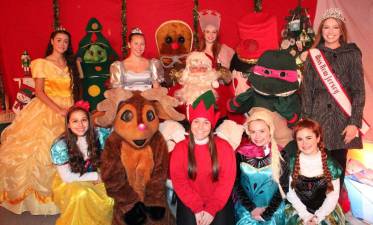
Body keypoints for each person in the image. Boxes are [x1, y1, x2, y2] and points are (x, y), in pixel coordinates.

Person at [0, 28, 80, 215]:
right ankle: (39, 199)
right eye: (59, 40)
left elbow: (73, 89)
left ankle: (71, 192)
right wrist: (58, 109)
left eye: (65, 41)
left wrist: (73, 108)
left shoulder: (70, 63)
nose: (62, 44)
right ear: (52, 41)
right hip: (48, 108)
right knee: (42, 149)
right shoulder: (41, 63)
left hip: (69, 109)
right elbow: (39, 92)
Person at [301, 8, 366, 187]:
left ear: (341, 30)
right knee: (315, 168)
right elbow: (306, 91)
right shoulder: (314, 55)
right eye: (326, 28)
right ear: (321, 31)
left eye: (335, 27)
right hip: (317, 117)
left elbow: (359, 91)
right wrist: (306, 124)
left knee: (338, 167)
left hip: (343, 120)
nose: (330, 32)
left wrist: (354, 123)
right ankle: (316, 208)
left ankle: (334, 210)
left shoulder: (352, 54)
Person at [170, 90, 236, 225]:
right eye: (196, 122)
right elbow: (179, 182)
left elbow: (226, 182)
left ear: (212, 125)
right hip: (190, 200)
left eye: (206, 122)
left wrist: (211, 209)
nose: (201, 127)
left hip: (218, 200)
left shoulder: (224, 147)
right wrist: (197, 208)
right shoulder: (180, 148)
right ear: (191, 123)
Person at [51, 102, 113, 225]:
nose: (80, 125)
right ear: (68, 125)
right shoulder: (60, 146)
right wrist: (96, 176)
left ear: (89, 121)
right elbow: (67, 177)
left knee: (112, 192)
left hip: (96, 172)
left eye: (84, 120)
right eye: (75, 121)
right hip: (72, 179)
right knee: (81, 195)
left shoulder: (100, 135)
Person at [285, 118, 345, 225]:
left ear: (318, 138)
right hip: (299, 209)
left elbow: (333, 196)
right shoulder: (291, 162)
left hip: (324, 211)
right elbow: (290, 193)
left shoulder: (331, 164)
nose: (305, 143)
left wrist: (317, 217)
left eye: (309, 138)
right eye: (300, 139)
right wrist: (306, 215)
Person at [234, 110, 289, 225]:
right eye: (253, 131)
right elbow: (236, 183)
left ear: (270, 130)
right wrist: (252, 208)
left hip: (273, 212)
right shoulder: (241, 153)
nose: (257, 136)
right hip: (247, 212)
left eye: (262, 131)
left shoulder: (280, 153)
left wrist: (268, 212)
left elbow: (284, 186)